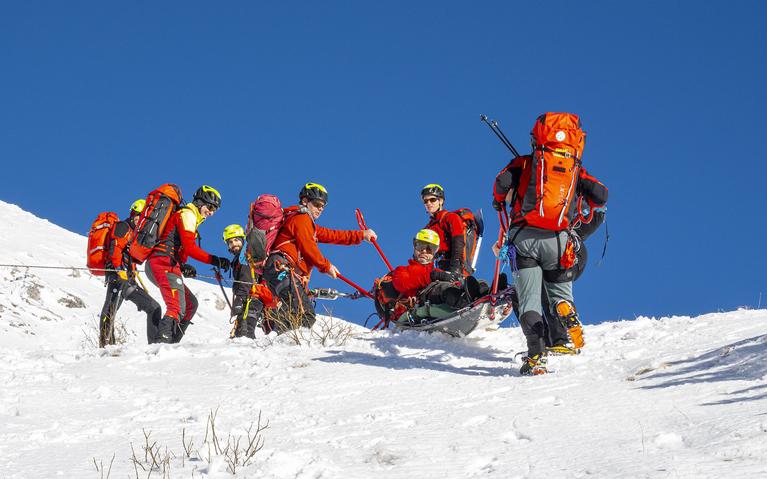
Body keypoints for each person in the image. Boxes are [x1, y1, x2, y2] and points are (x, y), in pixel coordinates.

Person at [492, 113, 608, 375]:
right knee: (559, 294)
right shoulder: (575, 169)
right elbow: (601, 195)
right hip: (559, 239)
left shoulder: (524, 164)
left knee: (529, 301)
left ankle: (536, 357)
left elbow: (500, 184)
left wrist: (499, 201)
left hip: (524, 239)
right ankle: (564, 309)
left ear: (536, 139)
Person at [262, 182, 376, 333]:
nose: (320, 209)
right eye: (316, 204)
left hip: (279, 271)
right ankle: (287, 346)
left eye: (323, 206)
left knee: (292, 315)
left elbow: (333, 235)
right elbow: (309, 247)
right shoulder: (301, 219)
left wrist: (361, 235)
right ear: (304, 201)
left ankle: (278, 342)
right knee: (304, 315)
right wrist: (326, 266)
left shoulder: (308, 224)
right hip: (282, 267)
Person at [145, 185, 231, 344]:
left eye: (215, 210)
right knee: (176, 307)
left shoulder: (190, 217)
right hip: (162, 262)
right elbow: (190, 248)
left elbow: (179, 246)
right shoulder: (188, 214)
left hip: (166, 263)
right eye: (210, 207)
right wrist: (215, 260)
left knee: (191, 304)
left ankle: (172, 342)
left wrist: (183, 266)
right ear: (200, 202)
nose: (211, 212)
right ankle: (161, 345)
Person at [374, 229, 481, 325]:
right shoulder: (402, 270)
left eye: (430, 248)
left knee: (469, 283)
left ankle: (484, 294)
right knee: (441, 288)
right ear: (414, 246)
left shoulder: (437, 272)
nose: (424, 251)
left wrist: (458, 281)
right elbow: (401, 283)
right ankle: (467, 303)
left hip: (437, 299)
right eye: (420, 246)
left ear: (435, 252)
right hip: (418, 304)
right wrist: (433, 276)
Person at [98, 199, 162, 346]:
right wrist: (119, 270)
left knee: (154, 307)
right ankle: (105, 345)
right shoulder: (123, 227)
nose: (141, 220)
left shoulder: (136, 234)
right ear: (133, 214)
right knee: (110, 309)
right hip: (118, 276)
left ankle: (155, 347)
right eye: (139, 216)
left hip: (129, 279)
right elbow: (115, 249)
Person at [223, 224, 274, 339]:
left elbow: (246, 280)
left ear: (242, 239)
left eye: (236, 240)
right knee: (243, 329)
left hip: (252, 297)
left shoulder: (245, 256)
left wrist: (239, 299)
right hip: (252, 297)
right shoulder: (239, 258)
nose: (233, 244)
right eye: (230, 242)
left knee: (244, 331)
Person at [421, 184, 468, 278]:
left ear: (441, 201)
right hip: (435, 269)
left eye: (432, 199)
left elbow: (458, 242)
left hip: (450, 265)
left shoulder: (451, 218)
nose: (429, 203)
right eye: (426, 201)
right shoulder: (427, 228)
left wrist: (455, 268)